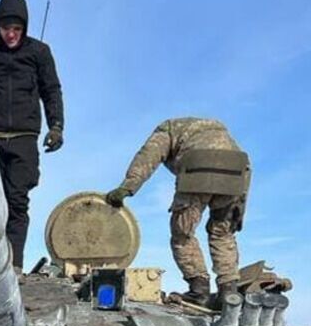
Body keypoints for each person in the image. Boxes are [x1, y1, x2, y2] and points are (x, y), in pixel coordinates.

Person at [104, 118, 250, 306]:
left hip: (198, 167)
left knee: (182, 234)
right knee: (222, 233)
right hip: (236, 173)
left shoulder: (168, 129)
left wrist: (127, 187)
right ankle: (228, 291)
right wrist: (240, 209)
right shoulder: (222, 133)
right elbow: (246, 168)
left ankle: (199, 290)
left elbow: (149, 155)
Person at [0, 0, 64, 271]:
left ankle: (14, 267)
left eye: (17, 29)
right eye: (5, 28)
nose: (11, 34)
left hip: (24, 138)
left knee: (17, 202)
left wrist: (56, 125)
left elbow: (51, 90)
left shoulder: (39, 53)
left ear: (25, 28)